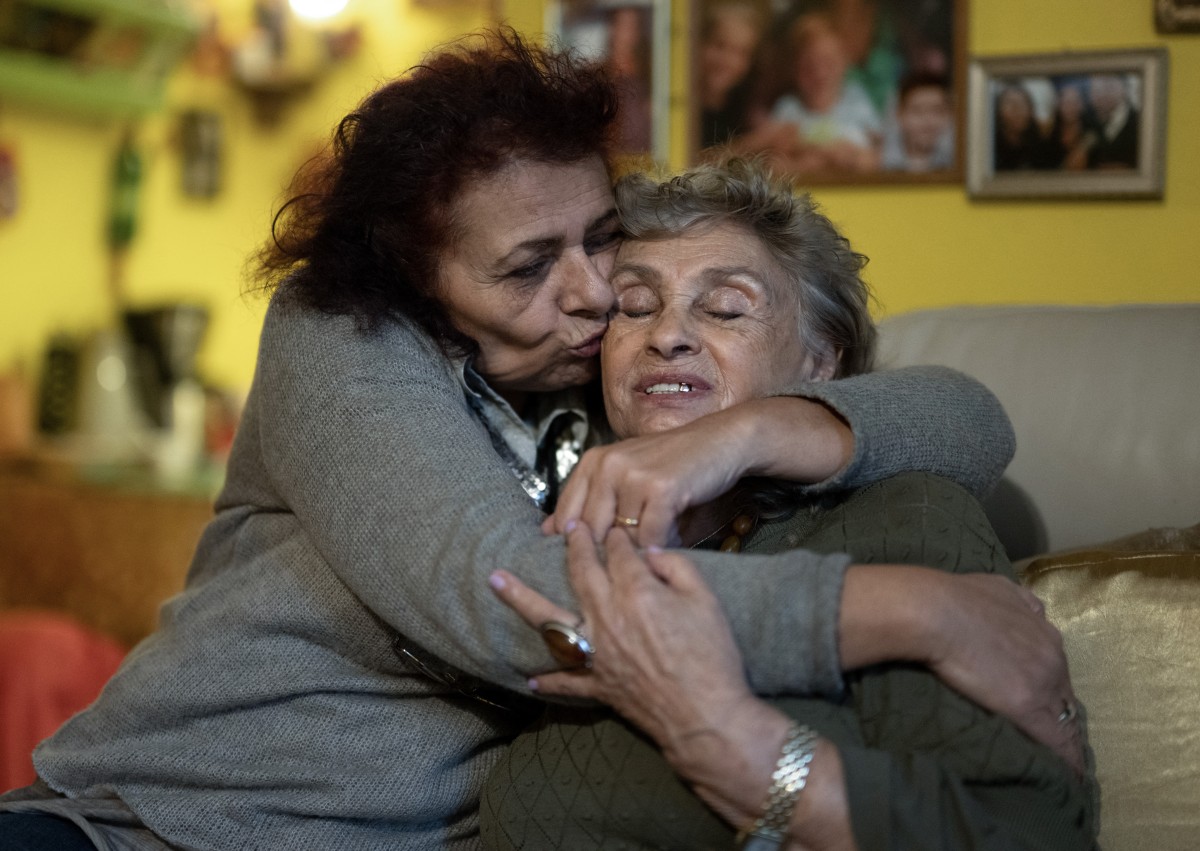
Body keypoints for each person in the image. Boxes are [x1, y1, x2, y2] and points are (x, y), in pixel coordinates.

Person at [0, 31, 1056, 851]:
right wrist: (915, 611)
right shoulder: (345, 333)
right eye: (529, 267)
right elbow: (509, 601)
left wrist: (745, 432)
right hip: (151, 823)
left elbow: (970, 418)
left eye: (602, 238)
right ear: (421, 285)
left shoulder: (609, 365)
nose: (596, 294)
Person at [482, 160, 1094, 850]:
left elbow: (1028, 836)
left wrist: (736, 747)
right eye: (635, 305)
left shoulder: (897, 520)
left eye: (725, 308)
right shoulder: (547, 518)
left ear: (819, 361)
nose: (667, 334)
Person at [767, 13, 883, 174]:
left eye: (829, 63)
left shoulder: (858, 102)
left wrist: (851, 158)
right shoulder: (787, 109)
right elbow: (773, 166)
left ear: (844, 63)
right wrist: (813, 162)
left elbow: (878, 159)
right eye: (809, 66)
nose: (820, 73)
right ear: (794, 69)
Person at [697, 0, 766, 149]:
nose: (728, 61)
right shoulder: (677, 106)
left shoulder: (745, 107)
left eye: (741, 53)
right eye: (720, 46)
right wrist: (750, 143)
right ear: (698, 43)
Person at [881, 71, 954, 173]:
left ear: (949, 115)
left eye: (937, 111)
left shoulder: (955, 159)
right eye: (917, 111)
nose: (928, 121)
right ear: (899, 115)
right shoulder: (880, 161)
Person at [992, 81, 1052, 171]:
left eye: (1022, 104)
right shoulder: (990, 147)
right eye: (1012, 105)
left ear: (1031, 111)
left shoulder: (1042, 147)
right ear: (999, 112)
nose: (1018, 111)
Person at [1045, 76, 1100, 171]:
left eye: (1074, 102)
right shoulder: (1049, 133)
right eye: (1066, 103)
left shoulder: (1092, 131)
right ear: (1058, 105)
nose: (1070, 107)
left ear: (1081, 105)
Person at [1086, 72, 1139, 170]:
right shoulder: (1088, 122)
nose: (1101, 93)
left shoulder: (1140, 122)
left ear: (1124, 89)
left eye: (1108, 86)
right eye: (1096, 89)